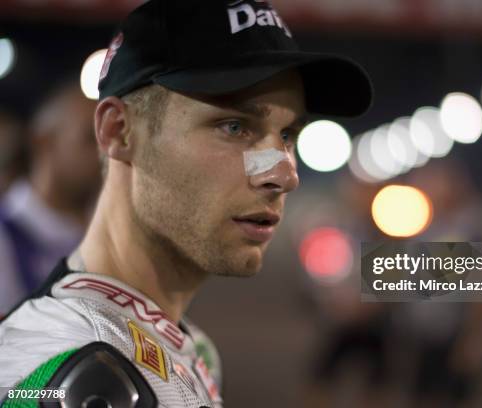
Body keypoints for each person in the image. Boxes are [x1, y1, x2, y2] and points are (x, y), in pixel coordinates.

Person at [0, 1, 372, 407]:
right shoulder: (69, 368)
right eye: (235, 127)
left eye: (287, 136)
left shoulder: (191, 349)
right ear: (118, 132)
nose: (284, 174)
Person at [0, 85, 101, 316]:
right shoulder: (5, 236)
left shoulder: (105, 238)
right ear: (43, 141)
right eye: (88, 138)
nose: (103, 153)